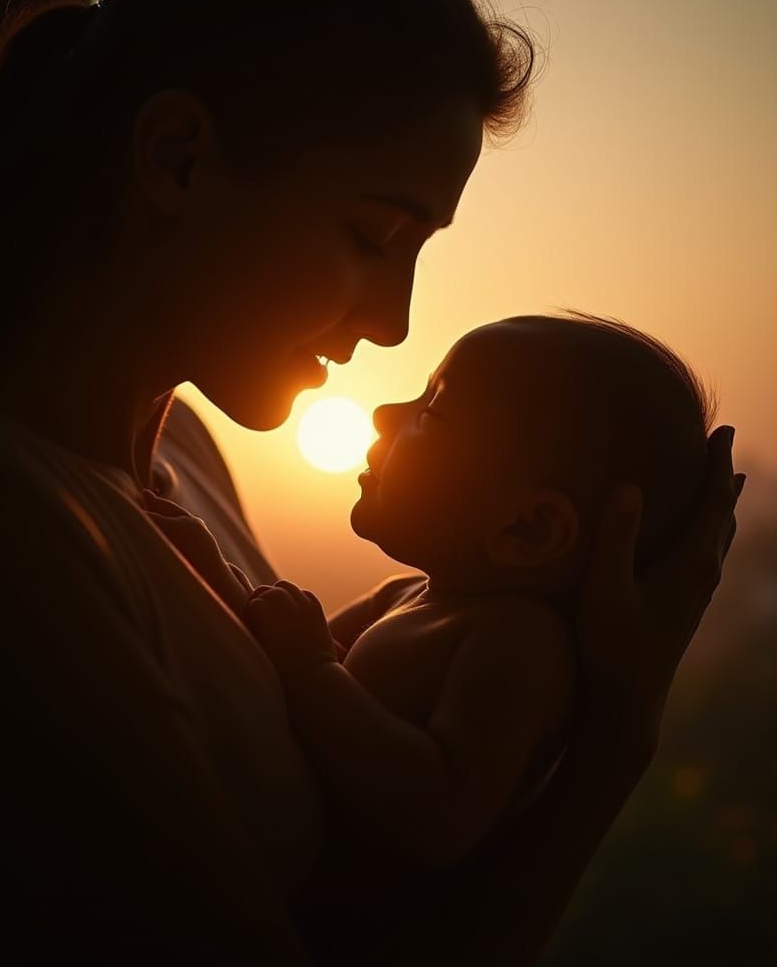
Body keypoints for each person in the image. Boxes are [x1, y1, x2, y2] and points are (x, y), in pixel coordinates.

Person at [0, 0, 743, 962]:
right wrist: (612, 744)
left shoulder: (175, 456)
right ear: (178, 157)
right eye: (373, 236)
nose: (395, 322)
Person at [230, 313, 715, 945]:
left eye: (430, 412)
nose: (382, 413)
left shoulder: (518, 645)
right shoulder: (408, 597)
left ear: (528, 530)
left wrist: (311, 669)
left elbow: (440, 810)